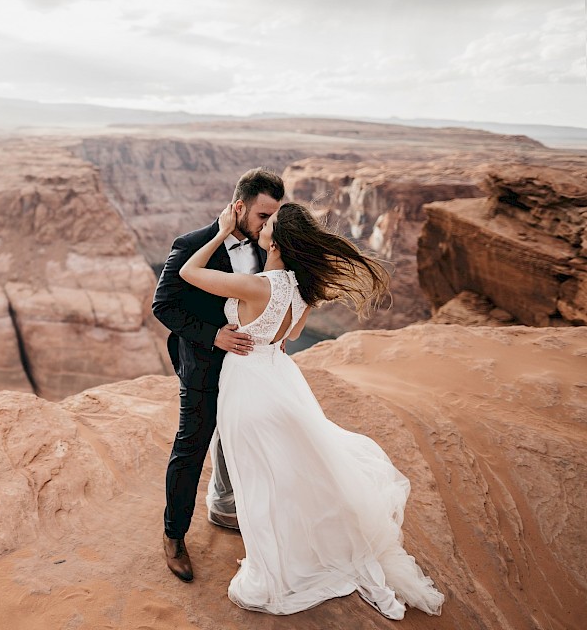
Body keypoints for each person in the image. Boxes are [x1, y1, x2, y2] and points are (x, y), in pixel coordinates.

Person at [178, 201, 444, 620]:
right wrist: (266, 333)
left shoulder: (257, 285)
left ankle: (277, 568)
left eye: (270, 223)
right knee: (282, 473)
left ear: (277, 242)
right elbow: (290, 335)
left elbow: (187, 274)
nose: (263, 226)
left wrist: (219, 230)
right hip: (280, 378)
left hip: (247, 386)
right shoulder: (302, 290)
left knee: (258, 479)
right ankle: (301, 547)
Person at [152, 168, 285, 583]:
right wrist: (214, 337)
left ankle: (227, 505)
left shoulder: (266, 246)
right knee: (190, 446)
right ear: (239, 207)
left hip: (249, 370)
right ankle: (174, 536)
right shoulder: (192, 245)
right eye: (264, 215)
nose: (269, 224)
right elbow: (164, 305)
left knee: (243, 440)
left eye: (273, 216)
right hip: (204, 364)